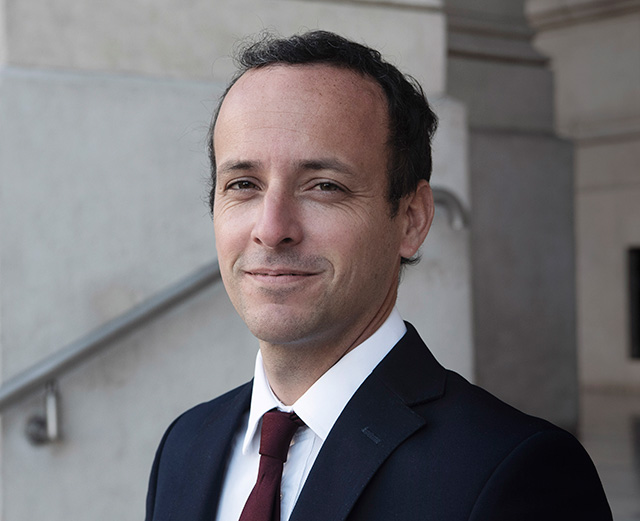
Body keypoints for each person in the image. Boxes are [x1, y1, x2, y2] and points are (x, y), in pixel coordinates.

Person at [145, 30, 612, 521]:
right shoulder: (186, 446)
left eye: (324, 186)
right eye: (243, 184)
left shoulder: (514, 471)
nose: (272, 228)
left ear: (411, 220)